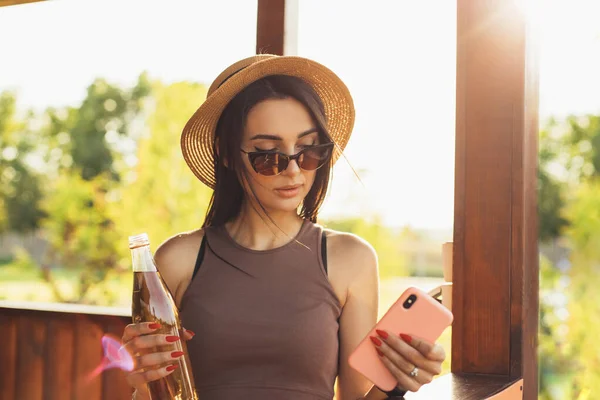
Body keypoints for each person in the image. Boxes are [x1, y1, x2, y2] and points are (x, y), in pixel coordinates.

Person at [121, 54, 447, 400]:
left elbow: (357, 397)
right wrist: (142, 378)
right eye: (268, 155)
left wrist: (396, 383)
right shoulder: (178, 259)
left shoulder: (351, 259)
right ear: (228, 154)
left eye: (308, 151)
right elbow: (157, 392)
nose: (293, 171)